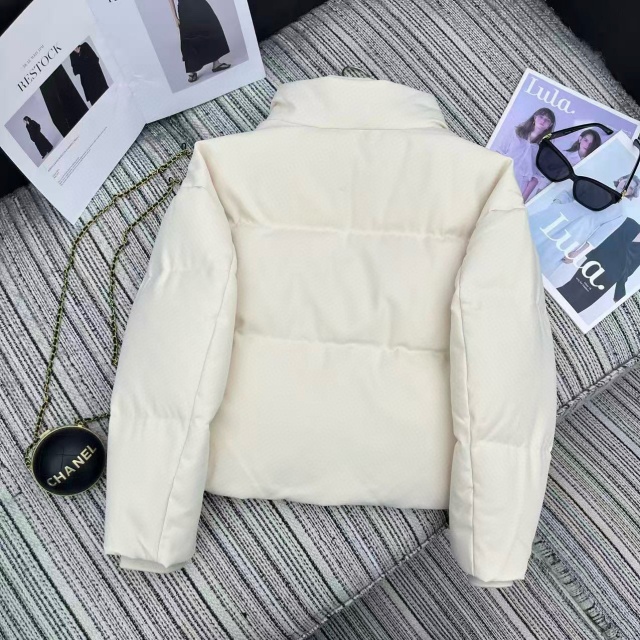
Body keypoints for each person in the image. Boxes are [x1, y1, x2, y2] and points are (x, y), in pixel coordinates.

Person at [528, 175, 640, 279]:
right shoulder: (597, 185)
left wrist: (577, 254)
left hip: (573, 235)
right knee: (527, 237)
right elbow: (569, 194)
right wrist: (556, 205)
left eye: (630, 188)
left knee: (542, 263)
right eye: (626, 182)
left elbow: (599, 236)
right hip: (557, 216)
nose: (626, 187)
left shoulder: (621, 213)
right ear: (620, 180)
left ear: (631, 193)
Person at [557, 217, 640, 313]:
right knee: (568, 291)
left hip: (608, 280)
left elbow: (628, 270)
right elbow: (599, 239)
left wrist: (619, 294)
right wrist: (578, 254)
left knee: (578, 306)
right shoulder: (628, 223)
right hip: (594, 264)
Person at [494, 107, 556, 201]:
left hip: (520, 185)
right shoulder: (515, 133)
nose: (543, 121)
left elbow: (536, 177)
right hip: (501, 175)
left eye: (547, 120)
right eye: (541, 116)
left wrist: (522, 199)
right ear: (535, 117)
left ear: (550, 125)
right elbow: (499, 153)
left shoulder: (546, 148)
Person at [168, 0, 231, 83]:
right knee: (189, 38)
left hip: (200, 4)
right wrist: (175, 17)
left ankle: (216, 63)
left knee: (210, 28)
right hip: (185, 8)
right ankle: (192, 70)